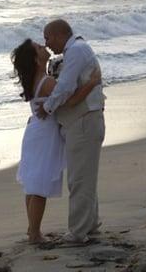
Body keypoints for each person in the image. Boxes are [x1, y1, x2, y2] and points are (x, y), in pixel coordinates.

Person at [12, 39, 101, 244]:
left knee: (33, 184)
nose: (44, 47)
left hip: (35, 131)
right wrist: (92, 82)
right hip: (44, 135)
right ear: (36, 59)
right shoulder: (46, 81)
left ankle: (32, 229)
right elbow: (70, 101)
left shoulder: (37, 78)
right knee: (40, 186)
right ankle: (35, 234)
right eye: (39, 47)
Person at [36, 19, 105, 244]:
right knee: (85, 177)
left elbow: (64, 88)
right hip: (85, 120)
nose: (47, 44)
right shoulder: (78, 49)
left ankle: (77, 232)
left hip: (84, 121)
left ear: (58, 35)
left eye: (48, 38)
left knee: (79, 180)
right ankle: (90, 224)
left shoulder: (75, 51)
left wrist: (47, 108)